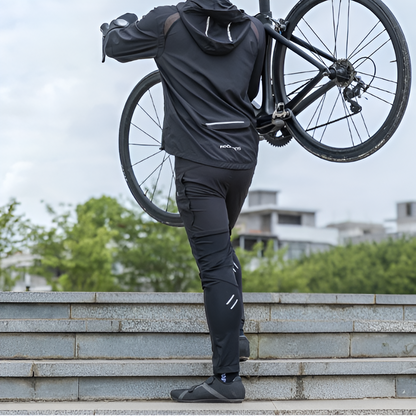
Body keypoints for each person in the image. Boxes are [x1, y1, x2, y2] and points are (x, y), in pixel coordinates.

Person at [101, 0, 266, 403]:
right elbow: (249, 90)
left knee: (213, 264)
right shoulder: (256, 31)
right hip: (242, 159)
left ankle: (227, 379)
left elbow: (117, 46)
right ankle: (237, 336)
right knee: (220, 247)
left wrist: (115, 25)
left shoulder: (167, 21)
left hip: (199, 163)